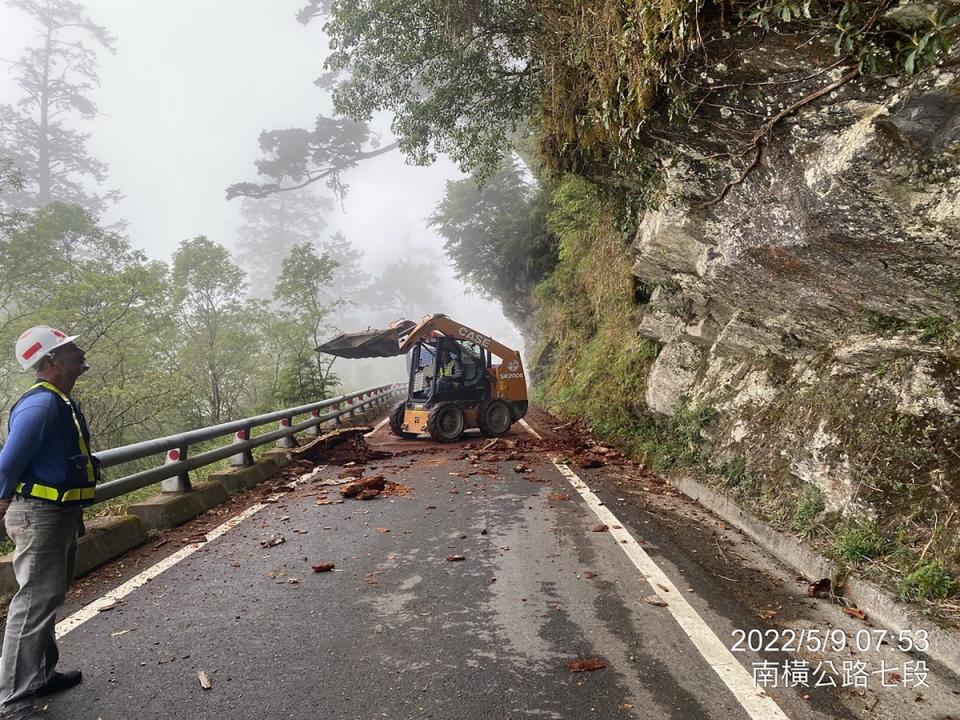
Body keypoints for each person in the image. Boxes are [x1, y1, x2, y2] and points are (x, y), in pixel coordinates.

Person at [0, 326, 97, 720]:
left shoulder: (60, 400)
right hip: (39, 516)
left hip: (57, 514)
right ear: (51, 361)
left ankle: (42, 674)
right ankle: (13, 699)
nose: (79, 351)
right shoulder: (41, 406)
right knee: (33, 603)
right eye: (70, 348)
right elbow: (7, 463)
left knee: (47, 598)